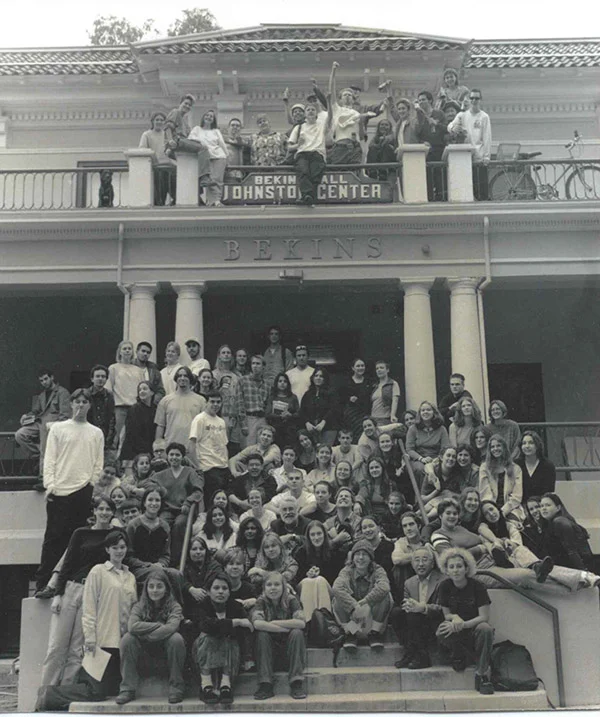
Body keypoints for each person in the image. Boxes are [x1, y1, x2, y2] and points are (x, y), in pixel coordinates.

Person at [39, 496, 116, 685]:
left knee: (77, 649)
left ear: (113, 512)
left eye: (108, 509)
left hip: (93, 593)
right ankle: (45, 695)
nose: (104, 513)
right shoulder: (81, 533)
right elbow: (67, 564)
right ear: (95, 511)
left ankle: (65, 694)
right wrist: (58, 594)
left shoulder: (116, 535)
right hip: (72, 588)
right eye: (101, 509)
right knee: (56, 646)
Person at [34, 389, 104, 598]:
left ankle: (64, 583)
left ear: (89, 406)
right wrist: (51, 485)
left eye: (84, 402)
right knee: (53, 538)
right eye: (77, 401)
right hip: (60, 492)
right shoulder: (58, 429)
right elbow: (50, 459)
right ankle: (43, 583)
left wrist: (91, 483)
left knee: (76, 540)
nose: (80, 405)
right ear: (71, 404)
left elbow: (98, 463)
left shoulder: (95, 432)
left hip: (83, 491)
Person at [116, 568, 186, 705]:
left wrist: (145, 634)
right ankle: (127, 689)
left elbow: (172, 627)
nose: (155, 590)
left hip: (166, 656)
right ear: (146, 589)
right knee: (127, 639)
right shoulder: (139, 606)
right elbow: (132, 626)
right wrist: (159, 625)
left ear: (166, 589)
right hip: (144, 656)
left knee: (176, 638)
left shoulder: (174, 606)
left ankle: (176, 687)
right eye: (151, 586)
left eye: (159, 586)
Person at [81, 530, 137, 696]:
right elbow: (89, 606)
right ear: (107, 550)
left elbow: (134, 608)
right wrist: (90, 637)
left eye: (122, 547)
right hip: (103, 641)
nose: (119, 551)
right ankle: (49, 696)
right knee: (96, 693)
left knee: (114, 691)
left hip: (123, 643)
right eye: (115, 547)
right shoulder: (98, 571)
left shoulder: (131, 577)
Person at [436, 548, 495, 695]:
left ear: (466, 568)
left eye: (459, 566)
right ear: (446, 570)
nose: (455, 570)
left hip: (474, 627)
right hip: (456, 627)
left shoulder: (478, 586)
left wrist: (464, 624)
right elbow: (446, 615)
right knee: (441, 630)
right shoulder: (444, 586)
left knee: (485, 628)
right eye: (451, 567)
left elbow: (484, 616)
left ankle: (481, 674)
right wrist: (454, 618)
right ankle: (459, 654)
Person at [193, 573, 254, 705]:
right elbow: (205, 625)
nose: (220, 591)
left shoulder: (235, 606)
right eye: (216, 588)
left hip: (229, 651)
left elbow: (243, 632)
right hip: (204, 650)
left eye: (224, 588)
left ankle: (226, 685)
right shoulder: (201, 606)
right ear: (208, 591)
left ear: (229, 591)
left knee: (228, 638)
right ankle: (206, 685)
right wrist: (235, 622)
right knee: (208, 636)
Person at [251, 571, 307, 700]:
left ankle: (296, 683)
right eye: (269, 585)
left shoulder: (291, 600)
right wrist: (284, 628)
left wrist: (274, 623)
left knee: (297, 633)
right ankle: (266, 684)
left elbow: (301, 623)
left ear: (284, 586)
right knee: (262, 635)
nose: (273, 588)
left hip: (290, 652)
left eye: (277, 584)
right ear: (264, 588)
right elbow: (258, 624)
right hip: (268, 653)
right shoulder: (261, 601)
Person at [332, 539, 393, 651]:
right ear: (353, 557)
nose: (360, 558)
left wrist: (366, 602)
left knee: (386, 595)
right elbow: (337, 588)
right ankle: (351, 634)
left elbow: (384, 587)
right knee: (337, 599)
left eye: (364, 554)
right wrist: (355, 606)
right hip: (353, 619)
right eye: (357, 554)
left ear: (370, 558)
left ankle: (374, 634)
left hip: (372, 618)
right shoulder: (347, 571)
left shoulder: (378, 570)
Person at [393, 546, 444, 669]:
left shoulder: (442, 580)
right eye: (417, 560)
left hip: (433, 622)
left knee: (414, 614)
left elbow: (442, 607)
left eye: (425, 560)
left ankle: (422, 656)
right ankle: (410, 651)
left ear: (432, 564)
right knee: (396, 613)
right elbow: (406, 601)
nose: (420, 564)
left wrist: (423, 608)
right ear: (412, 564)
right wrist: (408, 605)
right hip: (414, 622)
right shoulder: (409, 583)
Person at [153, 442, 205, 564]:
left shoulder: (189, 472)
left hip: (184, 510)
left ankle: (176, 560)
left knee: (179, 524)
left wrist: (188, 501)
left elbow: (198, 490)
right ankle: (162, 558)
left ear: (182, 457)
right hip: (167, 510)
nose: (174, 457)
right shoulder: (161, 475)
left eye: (177, 455)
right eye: (171, 454)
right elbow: (149, 485)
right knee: (162, 524)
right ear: (167, 456)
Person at [16, 369, 71, 477]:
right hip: (40, 423)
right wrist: (26, 416)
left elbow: (65, 414)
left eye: (46, 379)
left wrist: (56, 427)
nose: (44, 382)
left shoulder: (62, 392)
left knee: (44, 447)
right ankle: (39, 456)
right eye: (41, 381)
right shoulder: (42, 395)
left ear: (52, 377)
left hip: (52, 426)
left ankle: (43, 477)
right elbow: (35, 411)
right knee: (20, 435)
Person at [125, 487, 182, 592]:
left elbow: (166, 555)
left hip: (159, 567)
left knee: (176, 574)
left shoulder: (164, 526)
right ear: (144, 503)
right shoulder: (133, 525)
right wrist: (147, 565)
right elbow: (128, 556)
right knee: (157, 573)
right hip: (138, 569)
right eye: (150, 500)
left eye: (157, 500)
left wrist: (161, 564)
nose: (154, 503)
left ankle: (177, 606)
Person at [293, 520, 346, 619]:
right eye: (312, 535)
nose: (316, 537)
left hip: (327, 589)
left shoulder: (334, 552)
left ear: (324, 535)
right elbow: (296, 579)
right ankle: (311, 621)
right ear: (308, 537)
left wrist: (319, 574)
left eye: (319, 533)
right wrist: (307, 574)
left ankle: (324, 620)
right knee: (309, 581)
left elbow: (337, 578)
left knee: (319, 580)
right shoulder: (301, 552)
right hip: (304, 588)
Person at [447, 89, 491, 200]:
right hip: (465, 157)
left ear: (480, 100)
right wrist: (453, 128)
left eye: (476, 98)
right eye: (472, 98)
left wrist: (486, 156)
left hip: (479, 157)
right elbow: (450, 126)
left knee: (481, 191)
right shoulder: (462, 115)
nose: (474, 100)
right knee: (467, 189)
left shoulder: (484, 117)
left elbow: (487, 137)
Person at [327, 61, 375, 165]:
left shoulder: (357, 113)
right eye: (345, 95)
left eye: (350, 95)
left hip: (355, 146)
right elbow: (331, 89)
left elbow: (362, 136)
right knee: (340, 174)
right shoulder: (337, 109)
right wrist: (333, 71)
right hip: (341, 145)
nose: (347, 96)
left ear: (353, 99)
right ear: (340, 99)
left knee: (355, 174)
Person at [163, 93, 213, 189]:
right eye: (185, 103)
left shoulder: (184, 120)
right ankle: (204, 178)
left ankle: (199, 190)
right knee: (203, 148)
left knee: (197, 155)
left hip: (182, 142)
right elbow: (168, 127)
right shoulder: (175, 112)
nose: (187, 106)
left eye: (189, 105)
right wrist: (170, 141)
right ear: (181, 103)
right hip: (177, 142)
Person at [287, 98, 330, 205]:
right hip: (302, 153)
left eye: (313, 110)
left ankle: (309, 196)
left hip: (317, 153)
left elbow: (331, 117)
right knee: (303, 171)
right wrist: (298, 145)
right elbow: (289, 147)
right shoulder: (299, 127)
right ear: (305, 114)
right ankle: (307, 195)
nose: (310, 111)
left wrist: (328, 101)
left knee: (316, 174)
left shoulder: (322, 126)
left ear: (317, 114)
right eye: (308, 110)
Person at [188, 390, 231, 498]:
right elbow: (191, 445)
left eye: (218, 402)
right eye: (212, 402)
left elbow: (224, 445)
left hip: (223, 467)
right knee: (212, 501)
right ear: (206, 403)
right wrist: (198, 467)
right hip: (208, 467)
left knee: (223, 499)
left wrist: (227, 464)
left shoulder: (221, 421)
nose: (215, 405)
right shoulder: (199, 419)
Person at [106, 342, 145, 451]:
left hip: (135, 408)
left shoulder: (138, 370)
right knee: (117, 437)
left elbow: (143, 387)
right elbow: (109, 388)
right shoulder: (113, 368)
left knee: (134, 436)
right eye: (125, 349)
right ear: (120, 352)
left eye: (129, 349)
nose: (127, 351)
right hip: (120, 407)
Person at [540, 493, 594, 570]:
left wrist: (583, 572)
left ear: (558, 508)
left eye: (548, 505)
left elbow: (571, 550)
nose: (544, 508)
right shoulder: (554, 522)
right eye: (541, 506)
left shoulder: (559, 522)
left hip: (575, 569)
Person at [478, 434, 525, 522]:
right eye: (492, 447)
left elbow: (517, 496)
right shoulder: (484, 468)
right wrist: (494, 510)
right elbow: (485, 493)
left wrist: (503, 511)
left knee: (512, 526)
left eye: (498, 446)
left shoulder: (516, 469)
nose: (495, 449)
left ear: (504, 447)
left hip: (511, 508)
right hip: (490, 507)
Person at [155, 365, 205, 448]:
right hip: (171, 448)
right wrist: (159, 447)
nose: (182, 378)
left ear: (190, 379)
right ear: (176, 379)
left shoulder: (200, 400)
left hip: (193, 447)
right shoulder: (165, 400)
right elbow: (160, 426)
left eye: (185, 376)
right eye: (180, 376)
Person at [189, 109, 228, 207]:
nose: (209, 117)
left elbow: (222, 144)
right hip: (204, 157)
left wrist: (227, 156)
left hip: (219, 156)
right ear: (203, 117)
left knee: (217, 179)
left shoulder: (216, 131)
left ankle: (217, 201)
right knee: (208, 179)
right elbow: (191, 140)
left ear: (213, 120)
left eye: (211, 116)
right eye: (207, 115)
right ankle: (210, 201)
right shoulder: (197, 129)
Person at [405, 401, 450, 487]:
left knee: (440, 469)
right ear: (419, 413)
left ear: (434, 412)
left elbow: (445, 447)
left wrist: (437, 459)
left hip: (436, 458)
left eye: (428, 410)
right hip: (418, 459)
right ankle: (422, 496)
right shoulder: (413, 429)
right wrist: (421, 458)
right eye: (423, 410)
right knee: (420, 469)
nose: (425, 412)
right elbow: (409, 449)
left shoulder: (441, 429)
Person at [139, 111, 175, 206]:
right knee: (159, 191)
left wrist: (171, 149)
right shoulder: (146, 134)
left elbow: (172, 149)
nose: (159, 122)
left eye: (162, 120)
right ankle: (160, 204)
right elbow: (142, 149)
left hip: (168, 167)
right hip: (155, 167)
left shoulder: (167, 134)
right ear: (152, 121)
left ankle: (173, 202)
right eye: (157, 120)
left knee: (174, 188)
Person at [182, 536, 222, 620]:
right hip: (189, 606)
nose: (198, 552)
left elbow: (213, 582)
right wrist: (190, 589)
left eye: (201, 549)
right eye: (194, 549)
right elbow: (181, 581)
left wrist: (200, 593)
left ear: (206, 551)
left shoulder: (215, 566)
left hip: (210, 604)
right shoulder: (183, 567)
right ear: (188, 551)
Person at [299, 367, 338, 447]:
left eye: (321, 376)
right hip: (311, 429)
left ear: (325, 379)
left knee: (325, 451)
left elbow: (333, 409)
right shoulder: (308, 394)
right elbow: (302, 410)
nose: (318, 378)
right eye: (316, 376)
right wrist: (307, 423)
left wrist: (323, 422)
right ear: (312, 378)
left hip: (328, 428)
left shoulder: (331, 393)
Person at [421, 446, 463, 518]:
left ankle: (425, 517)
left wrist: (448, 495)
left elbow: (461, 496)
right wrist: (437, 491)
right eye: (448, 455)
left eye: (454, 457)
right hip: (429, 506)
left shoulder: (458, 474)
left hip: (448, 511)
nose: (451, 459)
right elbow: (423, 499)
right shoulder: (432, 473)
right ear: (441, 457)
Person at [119, 381, 156, 462]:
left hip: (149, 453)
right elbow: (132, 433)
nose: (141, 391)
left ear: (152, 392)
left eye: (145, 389)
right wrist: (145, 451)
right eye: (139, 390)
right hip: (133, 453)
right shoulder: (134, 409)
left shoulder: (155, 409)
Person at [238, 355, 270, 447]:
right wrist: (243, 424)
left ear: (263, 367)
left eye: (258, 364)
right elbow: (240, 403)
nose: (255, 366)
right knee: (249, 448)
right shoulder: (243, 381)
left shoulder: (267, 384)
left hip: (262, 419)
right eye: (253, 363)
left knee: (263, 446)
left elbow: (268, 404)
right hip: (249, 419)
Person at [517, 431, 556, 502]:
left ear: (537, 445)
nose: (527, 446)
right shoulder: (516, 465)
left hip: (540, 506)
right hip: (519, 507)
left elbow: (549, 493)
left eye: (531, 443)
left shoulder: (548, 466)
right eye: (524, 443)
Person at [339, 358, 371, 442]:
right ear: (353, 368)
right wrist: (348, 399)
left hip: (365, 413)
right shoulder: (346, 382)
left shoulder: (369, 381)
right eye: (358, 366)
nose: (360, 368)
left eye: (362, 366)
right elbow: (340, 398)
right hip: (351, 414)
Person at [266, 372, 300, 448]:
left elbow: (299, 413)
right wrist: (280, 416)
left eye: (285, 381)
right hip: (275, 429)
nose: (282, 383)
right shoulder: (272, 397)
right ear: (276, 383)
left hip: (290, 430)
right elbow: (267, 414)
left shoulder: (293, 397)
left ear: (288, 384)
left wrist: (290, 415)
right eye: (280, 381)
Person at [87, 364, 116, 450]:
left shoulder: (109, 395)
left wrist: (108, 439)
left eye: (103, 377)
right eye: (97, 376)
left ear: (106, 379)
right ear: (92, 379)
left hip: (104, 435)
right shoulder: (86, 394)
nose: (100, 379)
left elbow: (111, 418)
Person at [133, 342, 165, 407]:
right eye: (143, 351)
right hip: (131, 405)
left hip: (149, 407)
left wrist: (152, 401)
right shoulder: (130, 366)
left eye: (148, 352)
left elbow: (160, 390)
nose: (145, 354)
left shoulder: (154, 369)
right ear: (137, 351)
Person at [370, 360, 401, 426]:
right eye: (377, 368)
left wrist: (392, 415)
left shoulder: (393, 384)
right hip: (373, 419)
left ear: (387, 370)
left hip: (384, 418)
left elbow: (395, 401)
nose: (379, 370)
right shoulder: (375, 385)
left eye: (381, 368)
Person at [224, 118, 251, 182]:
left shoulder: (245, 143)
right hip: (227, 175)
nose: (235, 127)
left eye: (237, 126)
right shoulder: (223, 142)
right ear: (228, 127)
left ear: (240, 128)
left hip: (242, 177)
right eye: (233, 125)